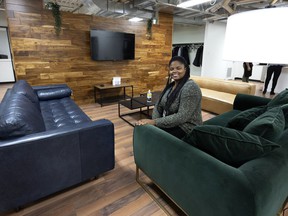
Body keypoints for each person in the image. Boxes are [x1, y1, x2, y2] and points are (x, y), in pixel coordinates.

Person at [135, 56, 203, 139]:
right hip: (173, 123)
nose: (174, 71)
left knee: (151, 135)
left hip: (187, 128)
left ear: (185, 69)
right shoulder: (171, 86)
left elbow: (182, 116)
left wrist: (154, 122)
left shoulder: (191, 87)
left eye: (178, 68)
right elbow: (158, 105)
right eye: (171, 69)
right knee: (145, 129)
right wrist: (155, 124)